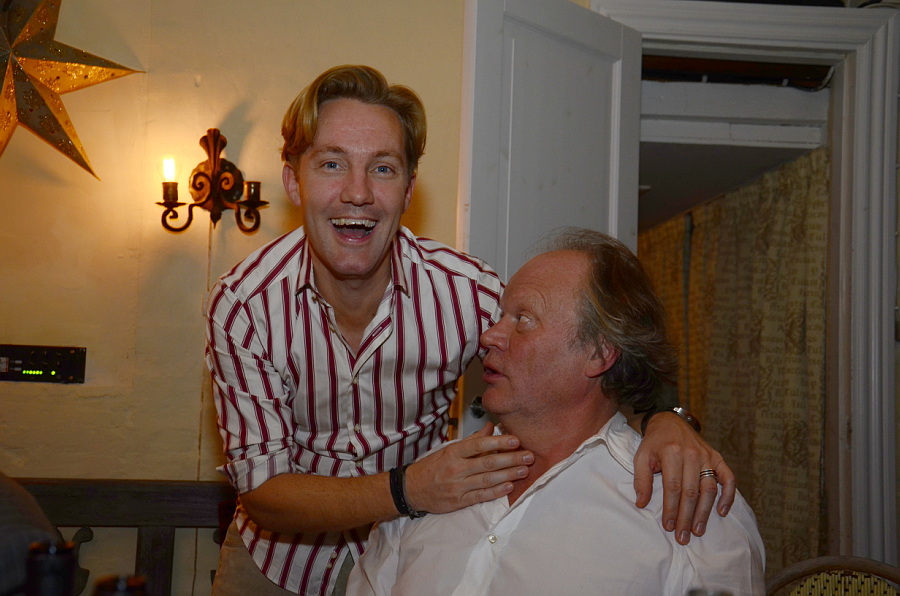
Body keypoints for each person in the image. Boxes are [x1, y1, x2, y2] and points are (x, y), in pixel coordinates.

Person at [205, 65, 734, 596]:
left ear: (409, 189)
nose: (358, 192)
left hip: (411, 554)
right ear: (293, 181)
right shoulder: (244, 306)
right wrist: (409, 488)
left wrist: (666, 420)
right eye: (332, 164)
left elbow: (576, 360)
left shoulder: (464, 292)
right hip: (278, 560)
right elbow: (263, 492)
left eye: (383, 168)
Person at [347, 228, 766, 596]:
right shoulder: (431, 482)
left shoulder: (684, 505)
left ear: (598, 353)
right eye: (500, 316)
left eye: (523, 319)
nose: (489, 336)